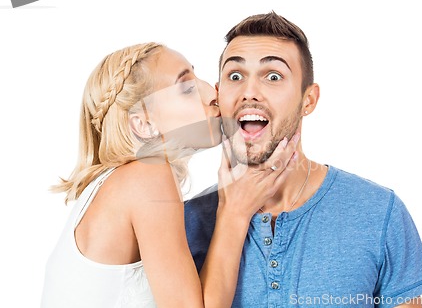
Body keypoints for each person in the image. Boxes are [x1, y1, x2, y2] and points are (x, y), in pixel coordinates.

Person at [184, 12, 422, 308]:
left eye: (273, 76)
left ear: (309, 100)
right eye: (235, 76)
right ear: (218, 94)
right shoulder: (184, 224)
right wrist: (231, 215)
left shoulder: (380, 213)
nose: (249, 92)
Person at [40, 42, 299, 308]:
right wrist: (235, 211)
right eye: (187, 88)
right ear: (144, 123)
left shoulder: (116, 184)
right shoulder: (145, 178)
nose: (213, 93)